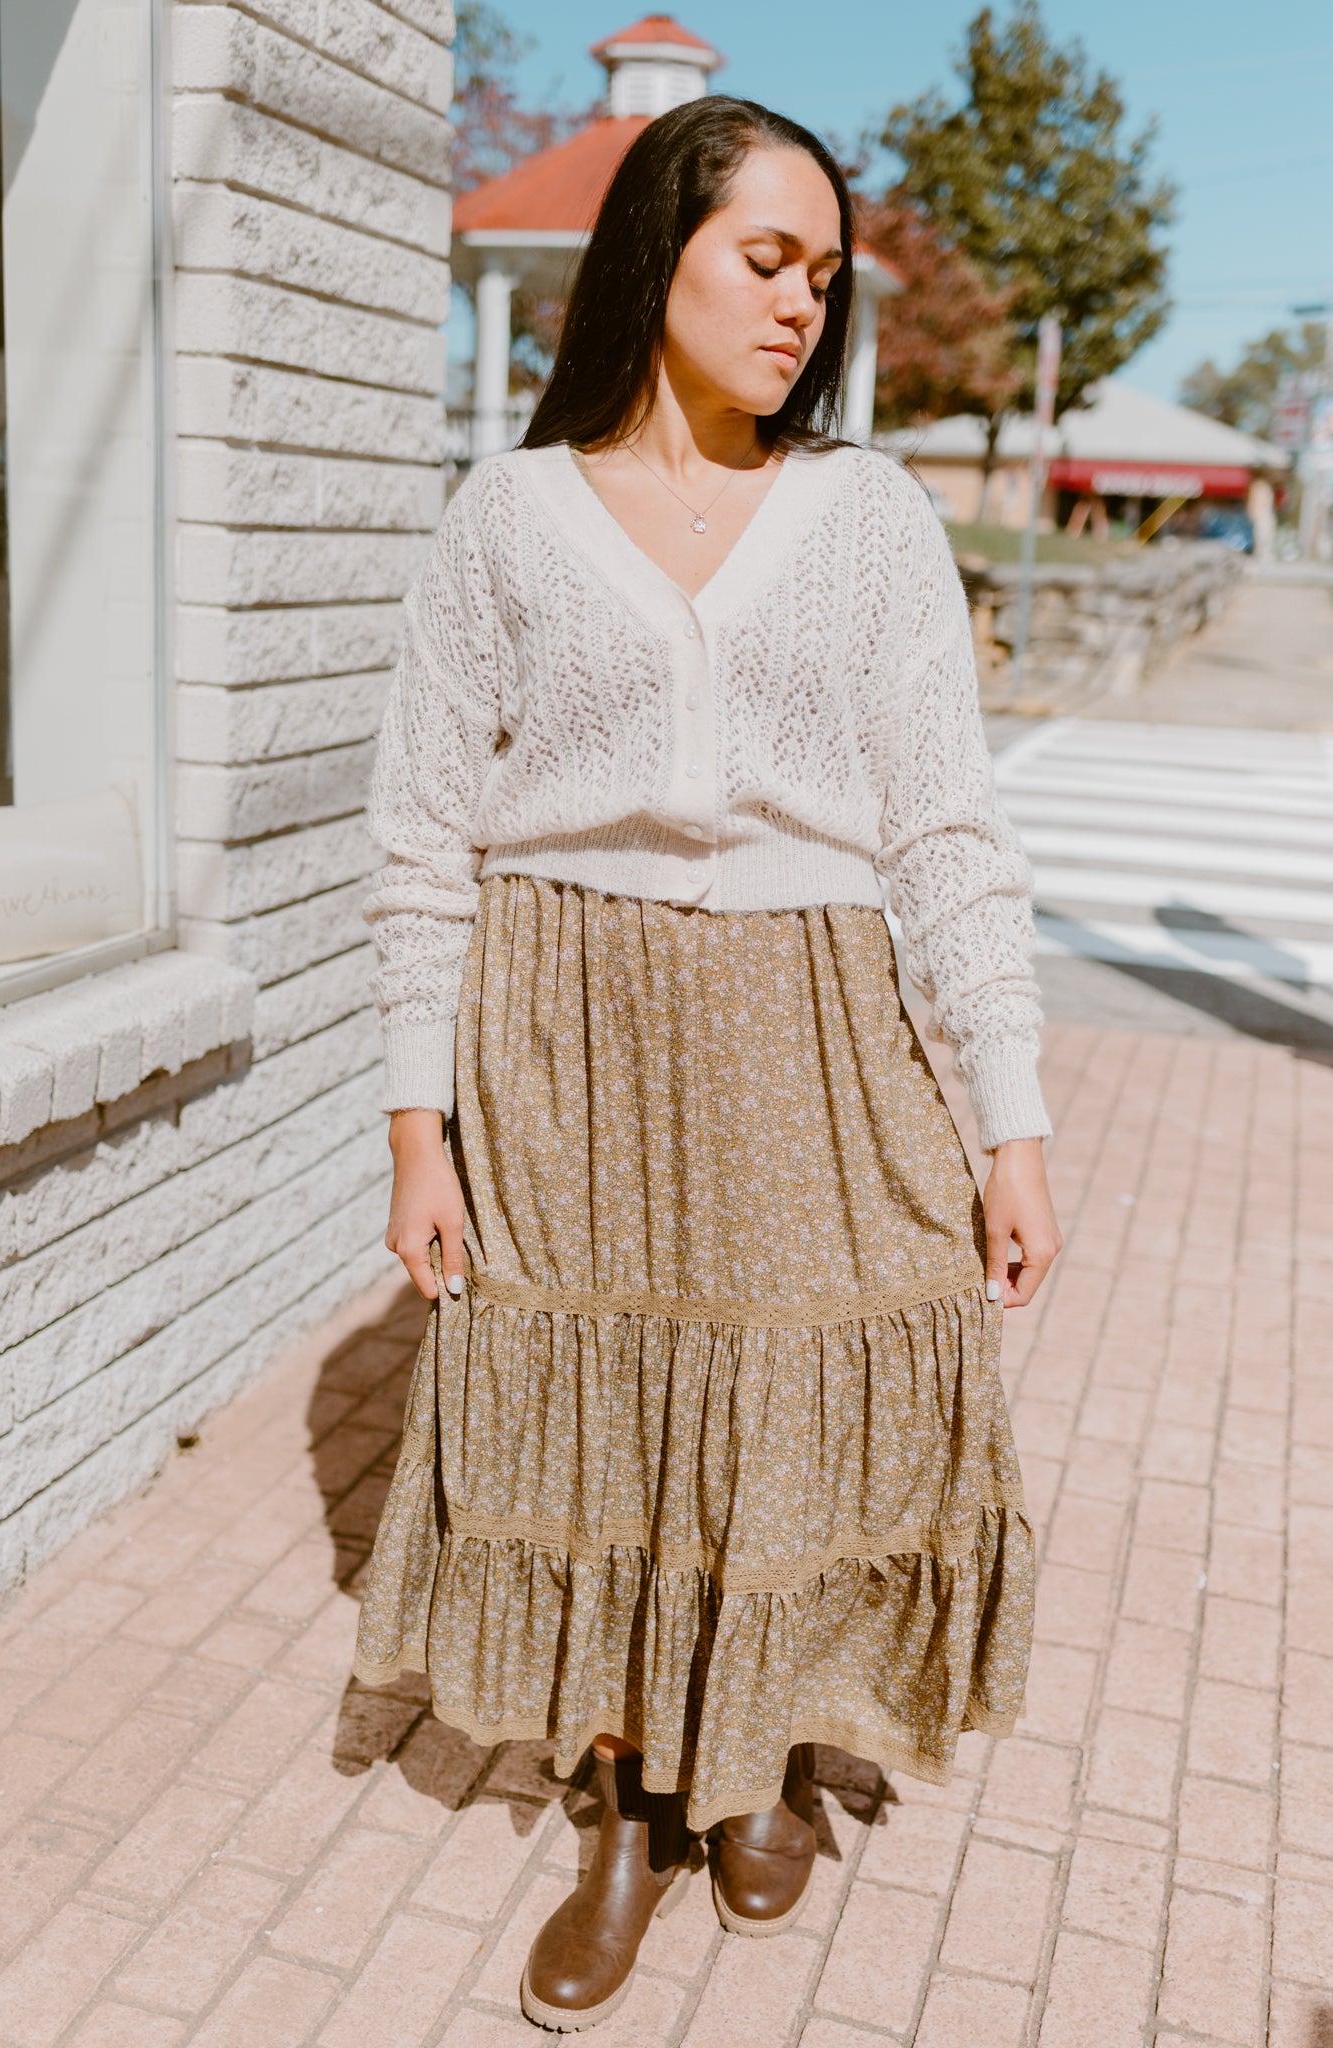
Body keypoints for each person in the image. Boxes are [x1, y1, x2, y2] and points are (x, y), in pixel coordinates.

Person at [352, 95, 1061, 2034]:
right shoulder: (503, 515)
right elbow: (422, 829)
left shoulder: (870, 517)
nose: (801, 308)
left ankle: (747, 1764)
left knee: (783, 1400)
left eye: (823, 277)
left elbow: (943, 832)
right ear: (653, 251)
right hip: (561, 1025)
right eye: (766, 260)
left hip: (812, 1024)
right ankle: (610, 1798)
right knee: (583, 1402)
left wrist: (1008, 1116)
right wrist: (417, 1117)